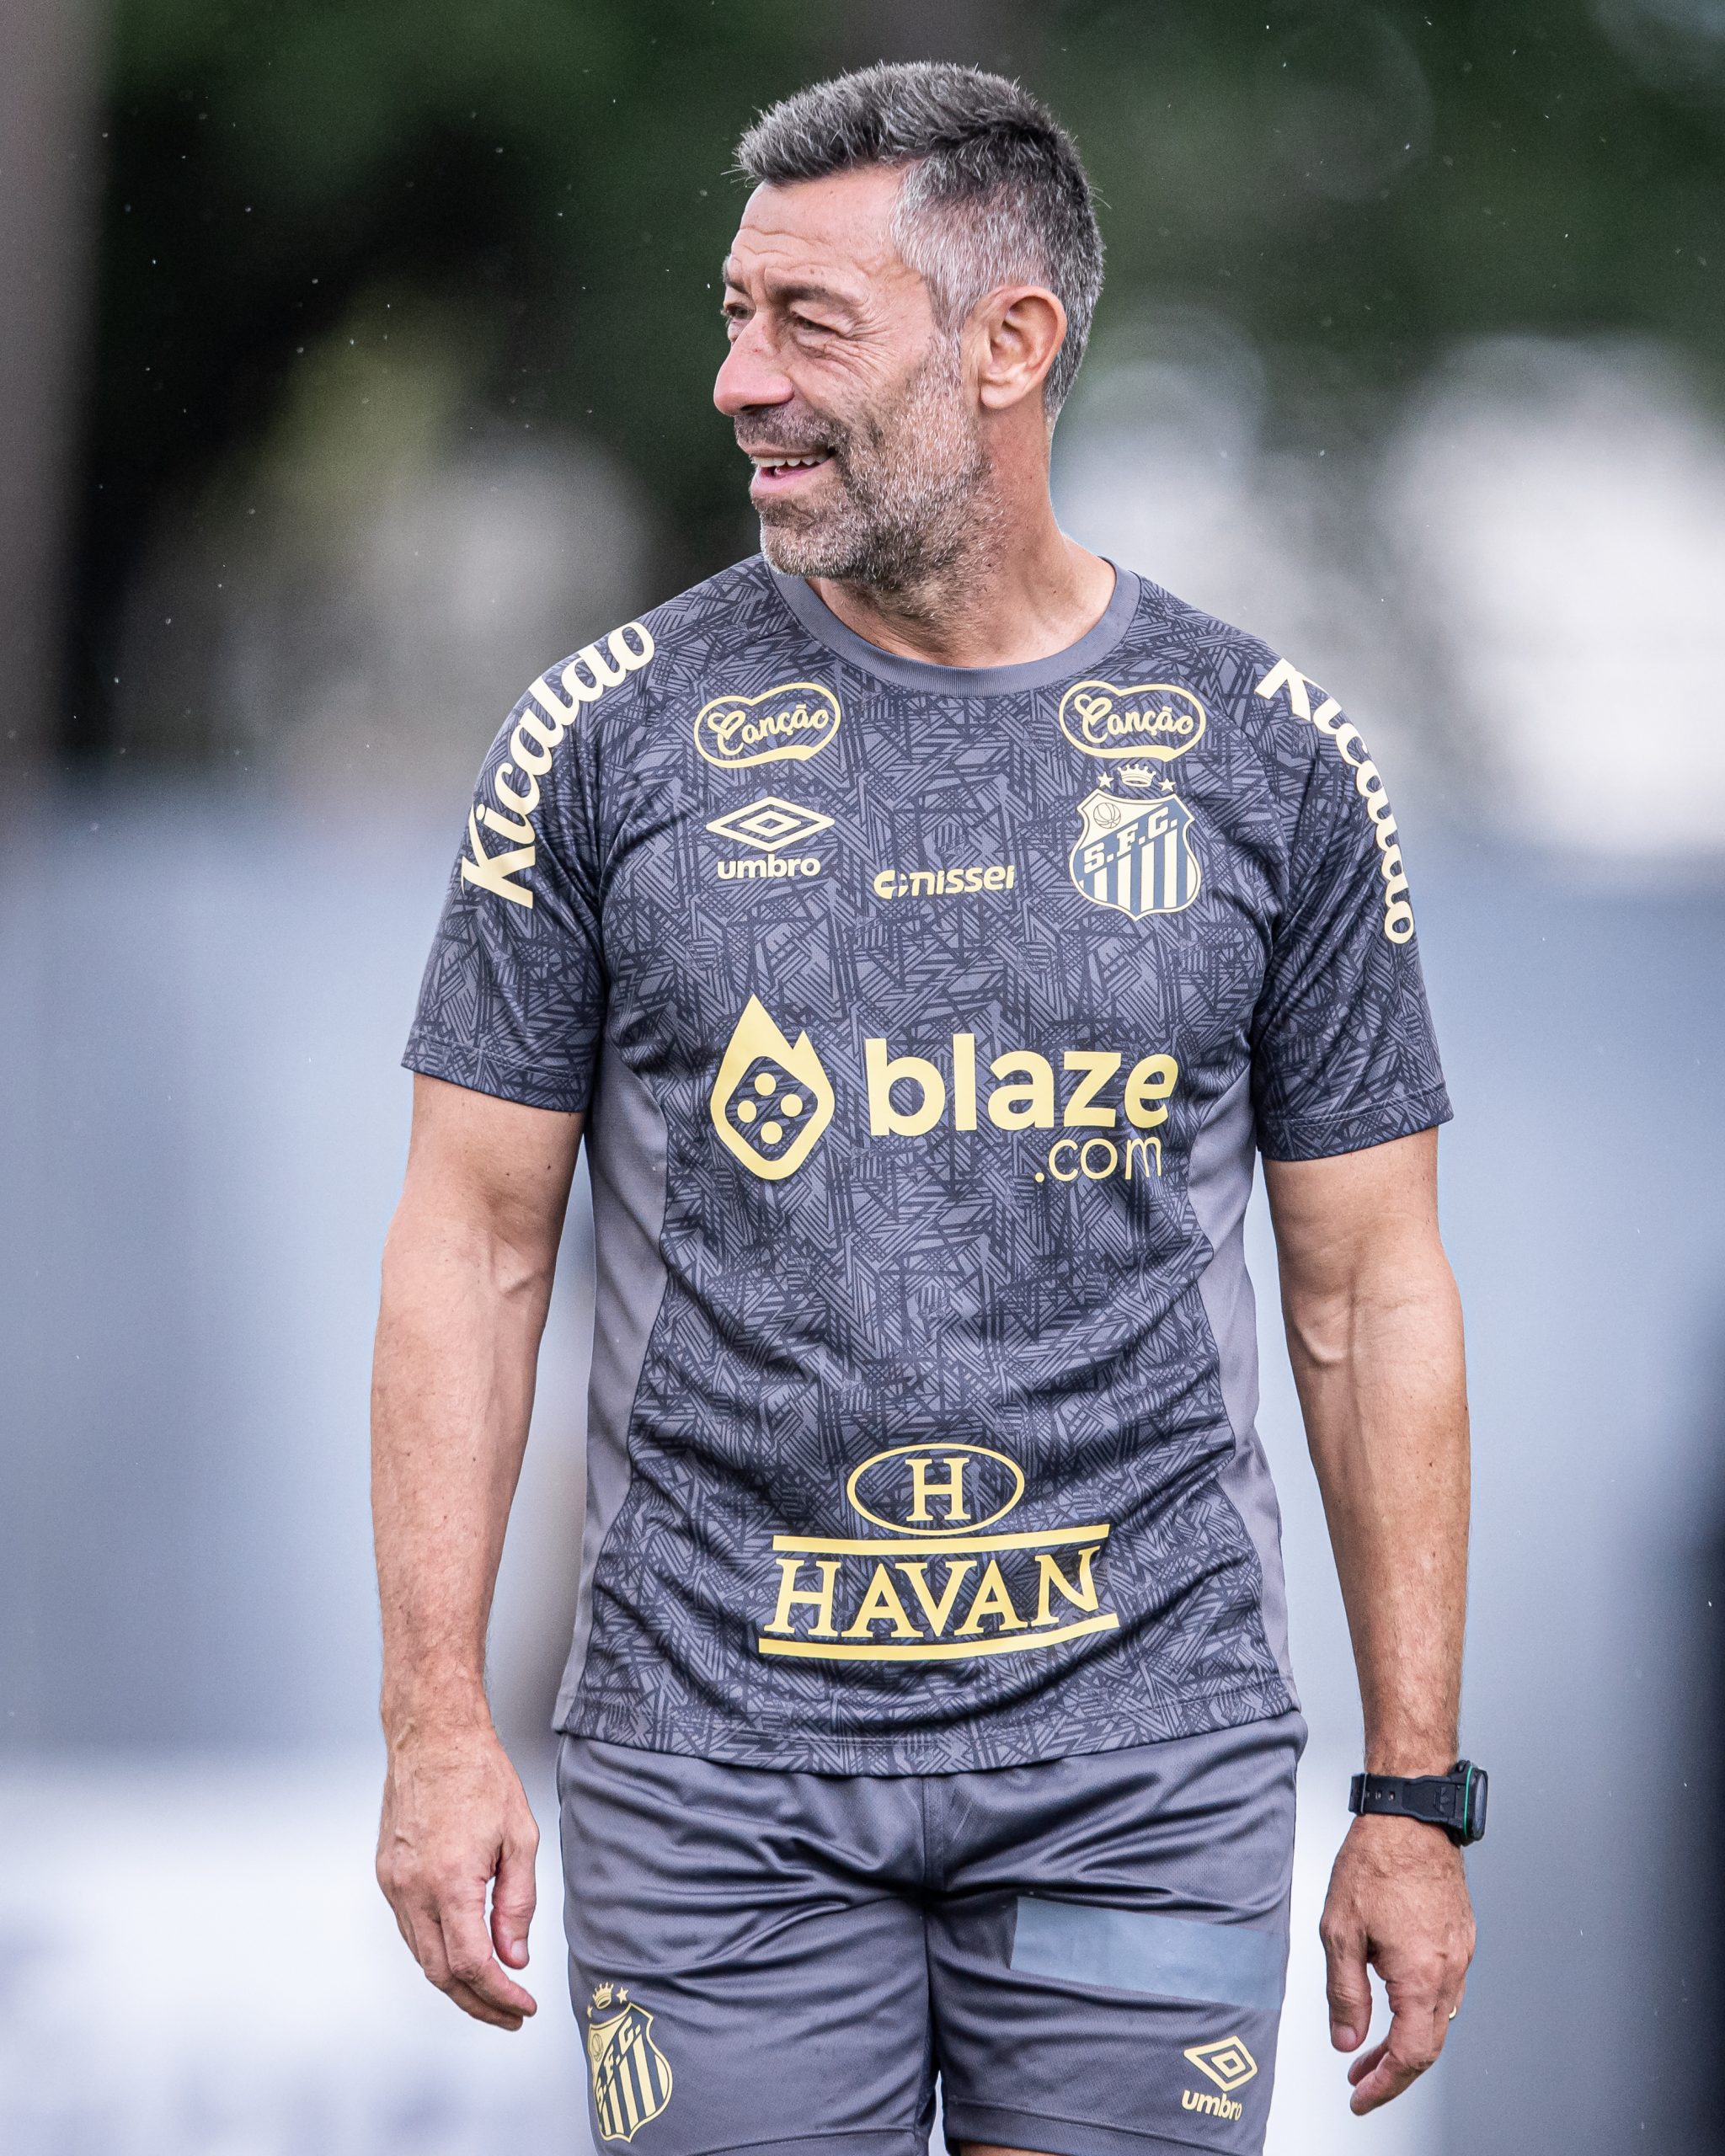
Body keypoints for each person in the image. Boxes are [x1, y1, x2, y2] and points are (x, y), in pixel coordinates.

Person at [371, 60, 1477, 2156]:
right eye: (729, 313)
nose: (735, 380)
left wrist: (1411, 1794)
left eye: (806, 323)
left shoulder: (1270, 758)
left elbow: (1369, 1295)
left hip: (1142, 1753)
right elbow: (470, 1243)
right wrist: (437, 1725)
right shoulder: (602, 745)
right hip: (714, 1763)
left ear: (1010, 343)